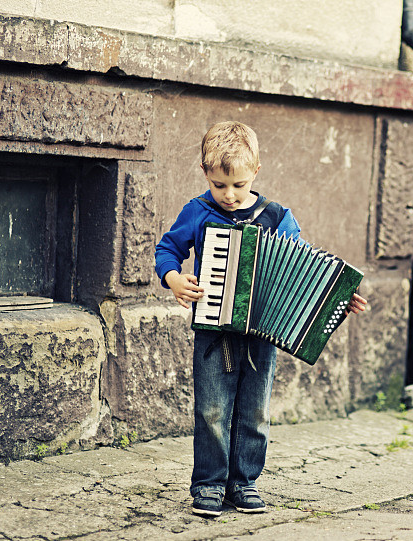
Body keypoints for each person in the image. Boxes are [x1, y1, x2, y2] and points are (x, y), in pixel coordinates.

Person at [154, 121, 366, 517]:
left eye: (239, 184)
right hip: (214, 334)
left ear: (256, 171)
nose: (229, 195)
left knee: (255, 413)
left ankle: (243, 483)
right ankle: (209, 484)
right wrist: (174, 279)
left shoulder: (278, 217)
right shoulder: (198, 212)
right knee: (211, 411)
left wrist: (338, 297)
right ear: (205, 173)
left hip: (261, 339)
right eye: (219, 185)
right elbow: (167, 250)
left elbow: (303, 270)